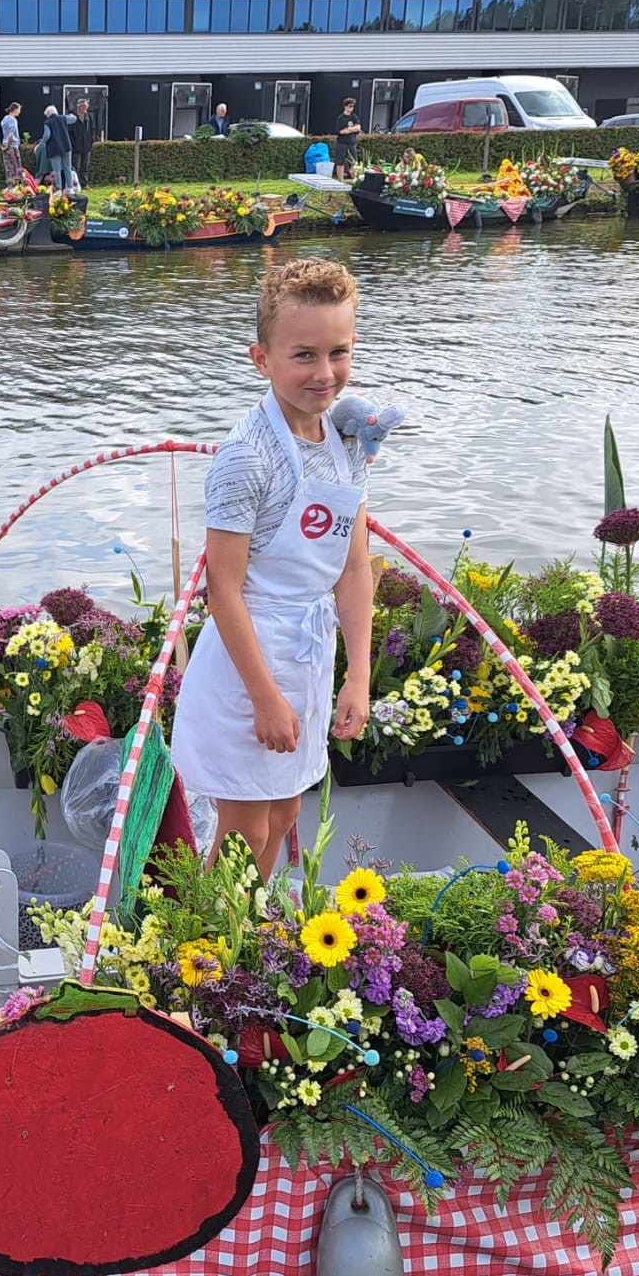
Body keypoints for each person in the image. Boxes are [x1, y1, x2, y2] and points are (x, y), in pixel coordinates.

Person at [171, 260, 376, 881]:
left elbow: (354, 567)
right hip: (248, 664)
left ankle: (249, 942)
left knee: (285, 815)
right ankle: (204, 956)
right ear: (261, 359)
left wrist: (358, 675)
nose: (323, 373)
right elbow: (223, 590)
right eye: (303, 355)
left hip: (309, 656)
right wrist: (265, 698)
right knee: (246, 828)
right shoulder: (246, 457)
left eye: (337, 352)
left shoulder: (347, 441)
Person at [36, 104, 73, 192]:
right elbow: (73, 120)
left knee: (57, 170)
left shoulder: (48, 122)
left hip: (54, 149)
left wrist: (41, 143)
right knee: (68, 168)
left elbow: (47, 136)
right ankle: (70, 188)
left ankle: (59, 190)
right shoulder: (63, 118)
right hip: (66, 147)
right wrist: (72, 116)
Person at [333, 98, 362, 180]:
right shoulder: (341, 118)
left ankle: (353, 177)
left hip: (352, 143)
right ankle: (341, 180)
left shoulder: (354, 116)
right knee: (340, 162)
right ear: (345, 107)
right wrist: (353, 129)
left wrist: (349, 129)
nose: (351, 108)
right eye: (350, 106)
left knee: (354, 162)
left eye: (353, 106)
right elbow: (341, 131)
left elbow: (358, 128)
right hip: (341, 143)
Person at [69, 99, 94, 189]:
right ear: (79, 107)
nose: (86, 109)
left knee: (85, 166)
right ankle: (76, 184)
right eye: (84, 107)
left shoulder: (89, 117)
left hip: (86, 146)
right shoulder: (72, 117)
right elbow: (70, 132)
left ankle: (85, 183)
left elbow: (92, 129)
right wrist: (73, 144)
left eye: (86, 107)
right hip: (76, 147)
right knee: (76, 166)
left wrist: (91, 140)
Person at [0, 102, 23, 184]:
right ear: (15, 109)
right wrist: (8, 146)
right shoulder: (13, 120)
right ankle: (16, 187)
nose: (19, 112)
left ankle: (9, 186)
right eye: (19, 109)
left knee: (8, 167)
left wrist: (5, 146)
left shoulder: (4, 119)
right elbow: (11, 135)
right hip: (12, 146)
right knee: (16, 167)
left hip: (5, 144)